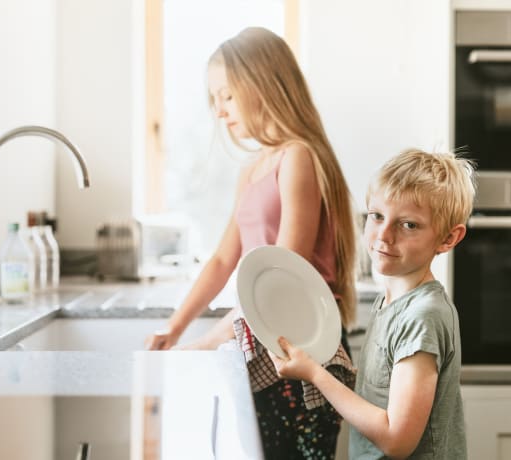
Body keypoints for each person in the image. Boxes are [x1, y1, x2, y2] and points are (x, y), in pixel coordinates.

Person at [144, 27, 357, 459]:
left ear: (262, 83)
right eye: (214, 100)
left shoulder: (298, 157)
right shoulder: (256, 167)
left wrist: (210, 342)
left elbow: (284, 278)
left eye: (226, 95)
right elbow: (224, 258)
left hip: (301, 348)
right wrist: (175, 326)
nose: (220, 112)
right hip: (265, 343)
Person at [271, 148, 476, 459]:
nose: (383, 235)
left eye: (408, 225)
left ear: (448, 238)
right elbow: (385, 389)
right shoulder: (391, 300)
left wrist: (315, 374)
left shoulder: (423, 317)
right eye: (377, 216)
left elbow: (396, 440)